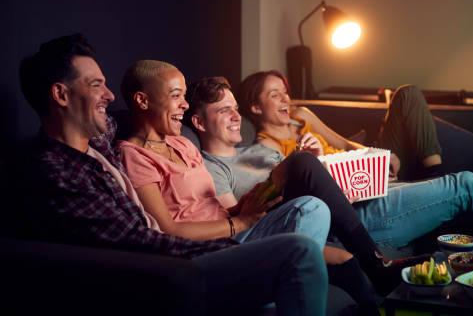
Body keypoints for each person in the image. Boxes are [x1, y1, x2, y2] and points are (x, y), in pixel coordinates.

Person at [18, 34, 328, 316]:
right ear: (60, 94)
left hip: (191, 251)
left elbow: (137, 117)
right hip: (165, 271)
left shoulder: (97, 140)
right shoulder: (56, 170)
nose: (110, 95)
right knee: (297, 251)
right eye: (96, 84)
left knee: (310, 210)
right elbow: (139, 242)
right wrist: (233, 241)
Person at [117, 61, 428, 313]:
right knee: (304, 173)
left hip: (236, 225)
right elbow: (168, 229)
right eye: (175, 95)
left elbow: (213, 205)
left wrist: (247, 206)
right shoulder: (133, 155)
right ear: (143, 100)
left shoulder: (183, 142)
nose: (183, 104)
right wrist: (238, 221)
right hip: (215, 246)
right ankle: (374, 265)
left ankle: (370, 268)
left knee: (309, 192)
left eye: (184, 95)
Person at [187, 74, 473, 254]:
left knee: (471, 212)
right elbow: (240, 221)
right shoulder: (220, 166)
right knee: (463, 186)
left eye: (232, 108)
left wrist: (328, 154)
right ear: (198, 121)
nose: (234, 115)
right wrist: (302, 170)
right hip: (352, 222)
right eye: (225, 109)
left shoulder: (263, 149)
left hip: (365, 196)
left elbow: (330, 160)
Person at [239, 70, 443, 181]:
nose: (286, 99)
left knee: (407, 94)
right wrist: (370, 174)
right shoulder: (267, 146)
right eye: (275, 95)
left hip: (373, 167)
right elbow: (302, 185)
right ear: (256, 107)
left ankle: (435, 173)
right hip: (353, 184)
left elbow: (345, 145)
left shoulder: (302, 116)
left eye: (285, 92)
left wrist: (379, 157)